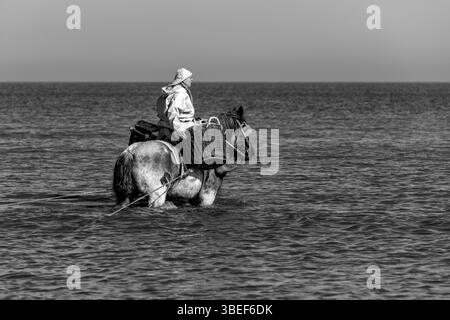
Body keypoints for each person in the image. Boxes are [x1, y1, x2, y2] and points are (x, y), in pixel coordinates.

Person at [156, 68, 198, 142]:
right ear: (184, 80)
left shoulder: (169, 92)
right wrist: (179, 131)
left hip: (164, 125)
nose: (192, 79)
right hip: (182, 127)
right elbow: (172, 113)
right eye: (190, 78)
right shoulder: (181, 94)